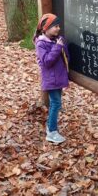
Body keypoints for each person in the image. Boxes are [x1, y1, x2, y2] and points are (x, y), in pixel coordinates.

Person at [33, 13, 69, 144]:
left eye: (59, 26)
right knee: (56, 103)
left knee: (56, 103)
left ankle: (51, 128)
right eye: (55, 26)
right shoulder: (41, 44)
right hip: (51, 80)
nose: (58, 29)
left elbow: (65, 56)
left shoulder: (54, 40)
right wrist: (58, 47)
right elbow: (47, 62)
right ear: (46, 28)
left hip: (57, 78)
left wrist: (61, 45)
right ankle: (52, 131)